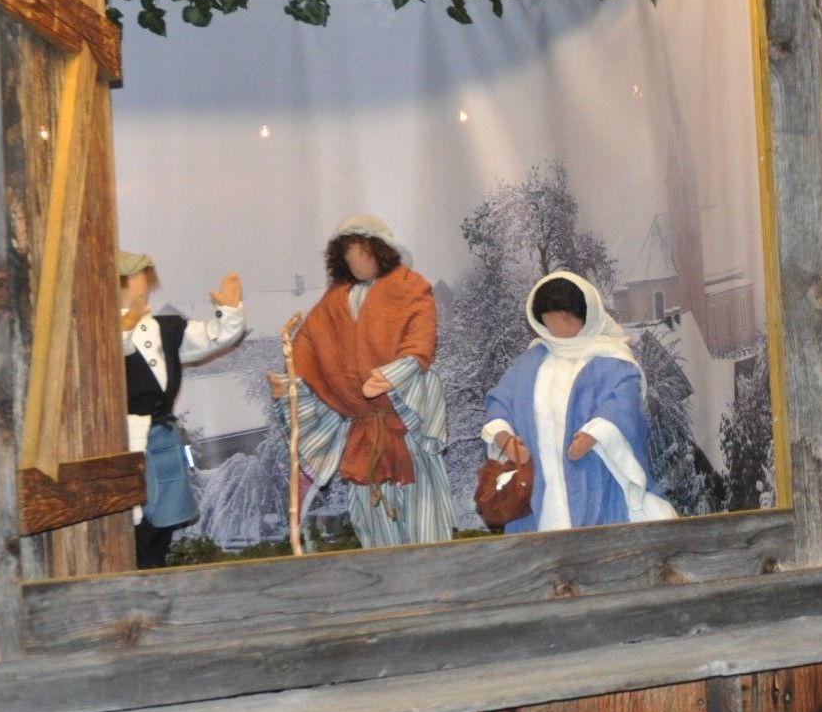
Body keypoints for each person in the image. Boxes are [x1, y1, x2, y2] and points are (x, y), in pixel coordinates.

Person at [271, 214, 455, 549]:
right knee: (374, 529)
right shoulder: (334, 301)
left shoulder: (410, 287)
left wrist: (392, 374)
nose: (353, 259)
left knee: (424, 521)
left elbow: (420, 340)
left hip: (405, 428)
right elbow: (310, 352)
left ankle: (433, 584)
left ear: (378, 249)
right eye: (347, 252)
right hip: (363, 437)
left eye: (359, 250)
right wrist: (291, 385)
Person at [482, 270, 676, 532]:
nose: (557, 327)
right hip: (538, 484)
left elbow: (623, 403)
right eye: (549, 319)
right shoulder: (530, 363)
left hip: (594, 477)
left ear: (586, 315)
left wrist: (595, 434)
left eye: (564, 317)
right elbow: (500, 401)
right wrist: (505, 437)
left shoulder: (612, 360)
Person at [118, 251, 245, 567]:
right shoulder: (94, 332)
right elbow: (110, 351)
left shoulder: (166, 329)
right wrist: (126, 323)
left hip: (162, 439)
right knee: (130, 526)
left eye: (145, 284)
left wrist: (228, 311)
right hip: (124, 443)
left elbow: (213, 337)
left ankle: (155, 579)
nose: (142, 290)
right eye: (135, 284)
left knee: (161, 523)